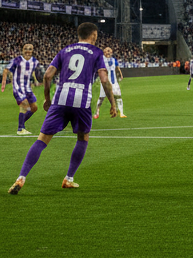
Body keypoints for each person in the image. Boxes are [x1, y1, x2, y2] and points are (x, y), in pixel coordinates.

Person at [9, 22, 116, 194]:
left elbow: (47, 75)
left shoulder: (65, 50)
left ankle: (21, 177)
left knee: (42, 140)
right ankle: (69, 179)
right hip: (81, 100)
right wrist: (112, 103)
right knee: (82, 138)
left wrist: (46, 99)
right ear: (94, 35)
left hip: (60, 98)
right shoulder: (96, 52)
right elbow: (104, 79)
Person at [1, 42, 42, 135]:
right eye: (26, 48)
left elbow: (33, 72)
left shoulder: (34, 61)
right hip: (18, 87)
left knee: (34, 108)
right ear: (23, 50)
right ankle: (20, 129)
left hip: (28, 87)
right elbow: (6, 70)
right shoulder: (17, 60)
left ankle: (21, 123)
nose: (28, 50)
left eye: (30, 48)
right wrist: (4, 83)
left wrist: (35, 81)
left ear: (32, 51)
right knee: (25, 105)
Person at [94, 46, 125, 119]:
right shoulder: (101, 60)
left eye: (109, 51)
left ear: (111, 52)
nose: (108, 52)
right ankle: (97, 112)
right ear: (104, 52)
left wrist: (121, 75)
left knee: (118, 96)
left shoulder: (114, 60)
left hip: (114, 83)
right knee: (101, 98)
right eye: (106, 51)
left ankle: (121, 112)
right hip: (105, 83)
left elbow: (117, 68)